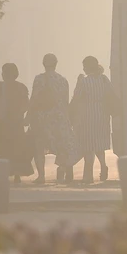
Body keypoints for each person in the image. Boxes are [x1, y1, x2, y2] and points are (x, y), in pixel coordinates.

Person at [27, 53, 79, 184]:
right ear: (56, 64)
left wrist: (28, 115)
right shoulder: (63, 80)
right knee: (63, 145)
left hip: (43, 118)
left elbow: (34, 98)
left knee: (39, 146)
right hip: (60, 117)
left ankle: (42, 176)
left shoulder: (39, 79)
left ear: (43, 64)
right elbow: (66, 101)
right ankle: (63, 169)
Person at [70, 56, 120, 184]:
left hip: (88, 115)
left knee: (88, 145)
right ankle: (103, 165)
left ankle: (88, 175)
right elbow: (112, 93)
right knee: (98, 145)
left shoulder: (84, 81)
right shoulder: (103, 79)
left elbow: (77, 96)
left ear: (87, 67)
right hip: (102, 114)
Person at [0, 63, 33, 184]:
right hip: (17, 122)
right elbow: (27, 104)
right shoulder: (21, 87)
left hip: (2, 122)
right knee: (17, 148)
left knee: (3, 147)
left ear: (4, 74)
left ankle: (4, 172)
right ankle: (17, 174)